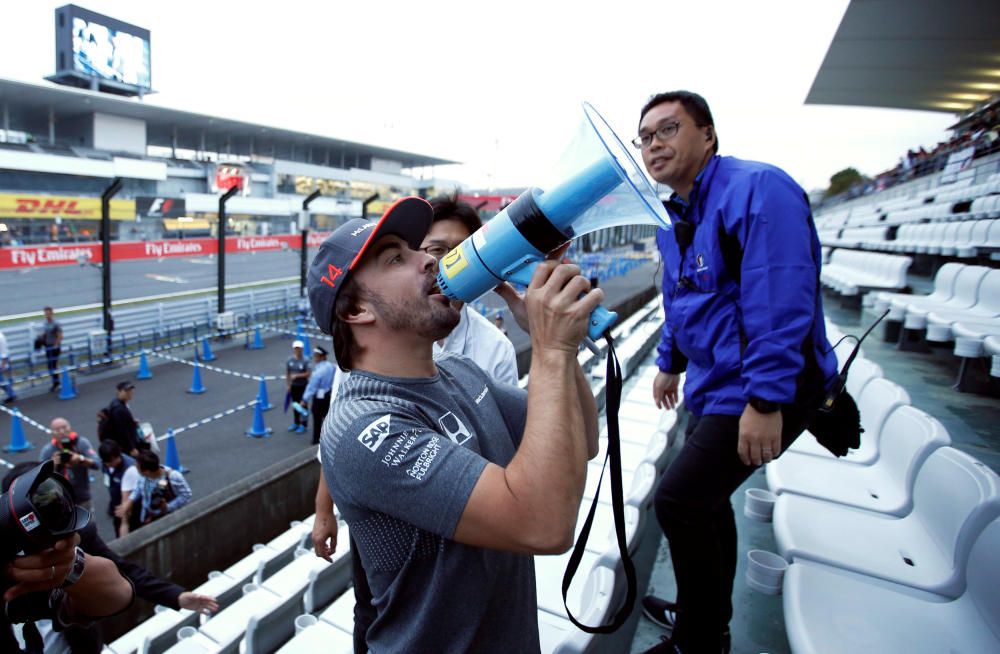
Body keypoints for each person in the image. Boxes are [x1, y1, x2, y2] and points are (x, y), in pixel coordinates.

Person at [306, 196, 600, 652]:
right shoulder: (363, 428)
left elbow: (581, 439)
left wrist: (559, 347)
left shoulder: (463, 371)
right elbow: (544, 525)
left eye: (417, 248)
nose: (428, 259)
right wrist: (551, 349)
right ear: (356, 312)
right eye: (397, 258)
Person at [633, 91, 837, 654]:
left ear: (708, 134)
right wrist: (669, 363)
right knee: (705, 501)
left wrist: (766, 401)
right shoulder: (672, 216)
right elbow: (679, 298)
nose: (654, 145)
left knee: (680, 500)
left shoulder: (757, 188)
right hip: (715, 381)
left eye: (668, 130)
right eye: (645, 137)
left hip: (769, 384)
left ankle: (700, 641)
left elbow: (780, 295)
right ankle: (705, 611)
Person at [1, 462, 216, 653]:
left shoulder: (75, 537)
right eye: (40, 502)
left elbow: (124, 576)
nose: (56, 504)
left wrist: (175, 596)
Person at [116, 451, 192, 536]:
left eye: (138, 468)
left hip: (165, 521)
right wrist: (129, 501)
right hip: (146, 518)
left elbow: (186, 495)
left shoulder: (173, 477)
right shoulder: (143, 476)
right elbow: (139, 488)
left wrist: (168, 507)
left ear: (147, 471)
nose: (136, 469)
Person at [39, 418, 99, 511]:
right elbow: (40, 478)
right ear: (52, 433)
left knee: (89, 523)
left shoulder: (81, 443)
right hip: (59, 499)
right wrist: (53, 465)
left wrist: (81, 459)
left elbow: (97, 464)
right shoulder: (47, 451)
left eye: (64, 427)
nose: (62, 432)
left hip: (82, 495)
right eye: (57, 429)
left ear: (70, 428)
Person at [97, 440, 140, 538]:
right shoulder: (105, 465)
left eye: (115, 459)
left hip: (131, 508)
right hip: (116, 504)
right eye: (109, 462)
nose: (113, 462)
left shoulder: (129, 469)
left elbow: (127, 498)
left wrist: (124, 523)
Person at [300, 345, 334, 446]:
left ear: (322, 357)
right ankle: (330, 438)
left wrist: (304, 399)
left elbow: (311, 387)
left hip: (319, 398)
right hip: (328, 395)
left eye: (317, 356)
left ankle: (316, 440)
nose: (315, 357)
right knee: (328, 417)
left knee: (317, 419)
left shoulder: (318, 372)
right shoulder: (331, 366)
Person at [101, 381, 144, 456]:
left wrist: (131, 422)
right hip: (125, 448)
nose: (129, 393)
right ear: (119, 391)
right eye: (126, 391)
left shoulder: (117, 403)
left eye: (131, 390)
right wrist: (131, 448)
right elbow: (122, 432)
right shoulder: (119, 409)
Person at [286, 340, 311, 433]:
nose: (298, 350)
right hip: (294, 386)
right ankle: (296, 422)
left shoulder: (306, 360)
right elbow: (287, 373)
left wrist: (297, 376)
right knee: (295, 405)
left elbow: (308, 374)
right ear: (294, 349)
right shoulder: (290, 360)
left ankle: (304, 424)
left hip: (303, 386)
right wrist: (288, 384)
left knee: (303, 405)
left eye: (299, 348)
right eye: (296, 348)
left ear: (302, 349)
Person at [41, 307, 63, 392]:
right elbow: (45, 333)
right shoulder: (45, 323)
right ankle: (56, 381)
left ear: (52, 313)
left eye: (48, 313)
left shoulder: (56, 324)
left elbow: (60, 336)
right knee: (50, 366)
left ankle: (56, 383)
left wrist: (56, 345)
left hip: (54, 347)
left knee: (53, 365)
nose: (46, 315)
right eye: (45, 314)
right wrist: (41, 338)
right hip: (48, 346)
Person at [0, 329, 16, 404]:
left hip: (3, 360)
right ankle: (11, 394)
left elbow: (4, 352)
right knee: (3, 381)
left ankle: (12, 394)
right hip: (3, 359)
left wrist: (3, 365)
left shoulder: (0, 337)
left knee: (3, 381)